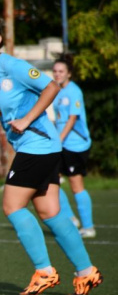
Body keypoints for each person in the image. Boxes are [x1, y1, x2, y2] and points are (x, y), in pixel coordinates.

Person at [0, 19, 102, 295]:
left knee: (12, 205)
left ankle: (45, 271)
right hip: (39, 148)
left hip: (38, 145)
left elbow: (51, 87)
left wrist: (26, 119)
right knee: (51, 212)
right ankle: (86, 272)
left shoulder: (12, 66)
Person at [51, 56, 95, 238]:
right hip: (62, 143)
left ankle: (88, 227)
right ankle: (70, 218)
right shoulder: (57, 91)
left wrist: (59, 138)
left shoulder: (74, 92)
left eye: (61, 71)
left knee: (76, 185)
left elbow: (72, 119)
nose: (57, 74)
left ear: (69, 73)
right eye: (55, 71)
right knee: (52, 179)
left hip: (75, 145)